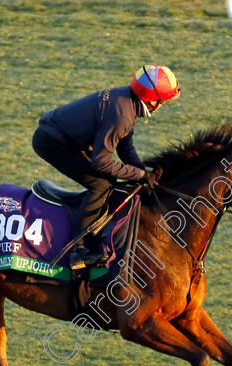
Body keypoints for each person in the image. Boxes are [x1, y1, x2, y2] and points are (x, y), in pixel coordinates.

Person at [32, 65, 181, 270]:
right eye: (164, 101)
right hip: (52, 142)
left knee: (108, 180)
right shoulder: (122, 115)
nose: (163, 105)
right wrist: (139, 174)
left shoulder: (127, 101)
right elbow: (100, 162)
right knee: (101, 184)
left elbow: (125, 145)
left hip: (66, 137)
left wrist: (140, 172)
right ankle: (79, 249)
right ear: (153, 100)